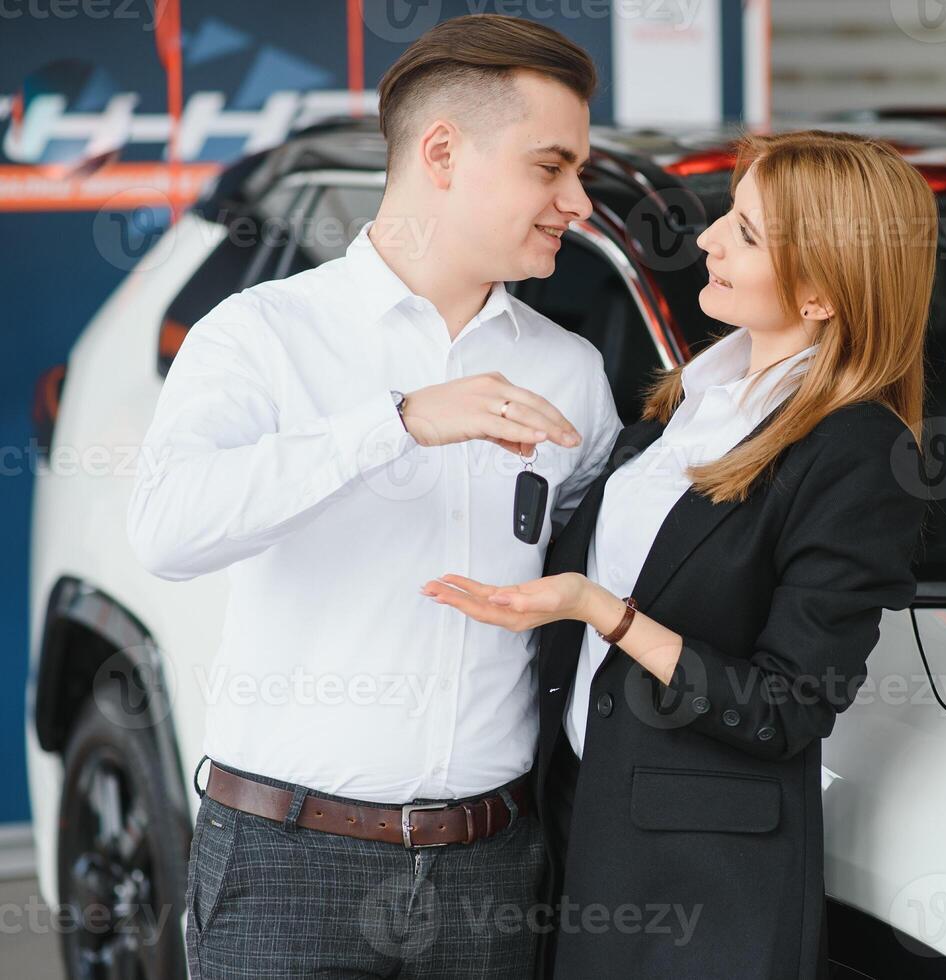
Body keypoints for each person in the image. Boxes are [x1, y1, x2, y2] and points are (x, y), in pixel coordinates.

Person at [126, 14, 621, 978]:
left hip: (492, 869)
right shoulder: (261, 333)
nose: (578, 203)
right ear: (443, 151)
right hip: (285, 868)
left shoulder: (571, 374)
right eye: (551, 167)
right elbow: (168, 529)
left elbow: (579, 573)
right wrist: (394, 421)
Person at [423, 129, 936, 979]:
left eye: (745, 232)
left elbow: (784, 708)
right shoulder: (690, 404)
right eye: (727, 218)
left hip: (701, 890)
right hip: (583, 824)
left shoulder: (858, 452)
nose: (707, 241)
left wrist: (603, 611)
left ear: (820, 293)